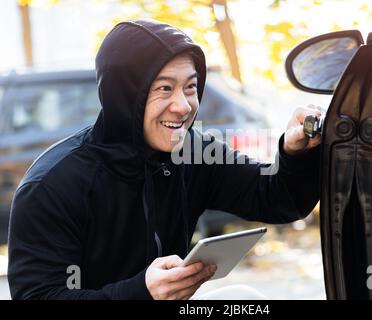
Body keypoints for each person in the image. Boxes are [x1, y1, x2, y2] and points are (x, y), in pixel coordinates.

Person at [7, 20, 321, 300]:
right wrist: (141, 292)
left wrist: (295, 152)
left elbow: (277, 198)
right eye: (164, 88)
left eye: (190, 87)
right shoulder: (53, 184)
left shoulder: (195, 153)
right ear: (125, 95)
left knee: (245, 300)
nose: (183, 106)